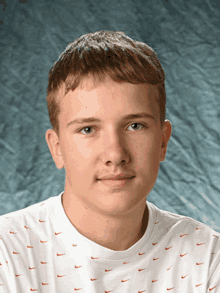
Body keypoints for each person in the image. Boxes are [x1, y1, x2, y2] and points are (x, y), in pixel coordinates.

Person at [0, 30, 219, 292]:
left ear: (162, 142)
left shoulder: (207, 258)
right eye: (88, 129)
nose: (115, 154)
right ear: (57, 148)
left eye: (135, 126)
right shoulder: (6, 253)